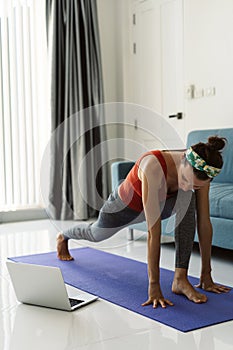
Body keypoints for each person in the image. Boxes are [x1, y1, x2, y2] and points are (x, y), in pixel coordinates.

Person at [57, 136, 230, 308]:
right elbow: (153, 234)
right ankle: (64, 236)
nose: (187, 187)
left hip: (162, 204)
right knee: (95, 234)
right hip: (123, 208)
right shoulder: (153, 166)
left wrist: (206, 275)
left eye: (195, 186)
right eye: (184, 180)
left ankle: (180, 279)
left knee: (187, 200)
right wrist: (154, 286)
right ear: (183, 162)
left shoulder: (204, 170)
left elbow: (204, 222)